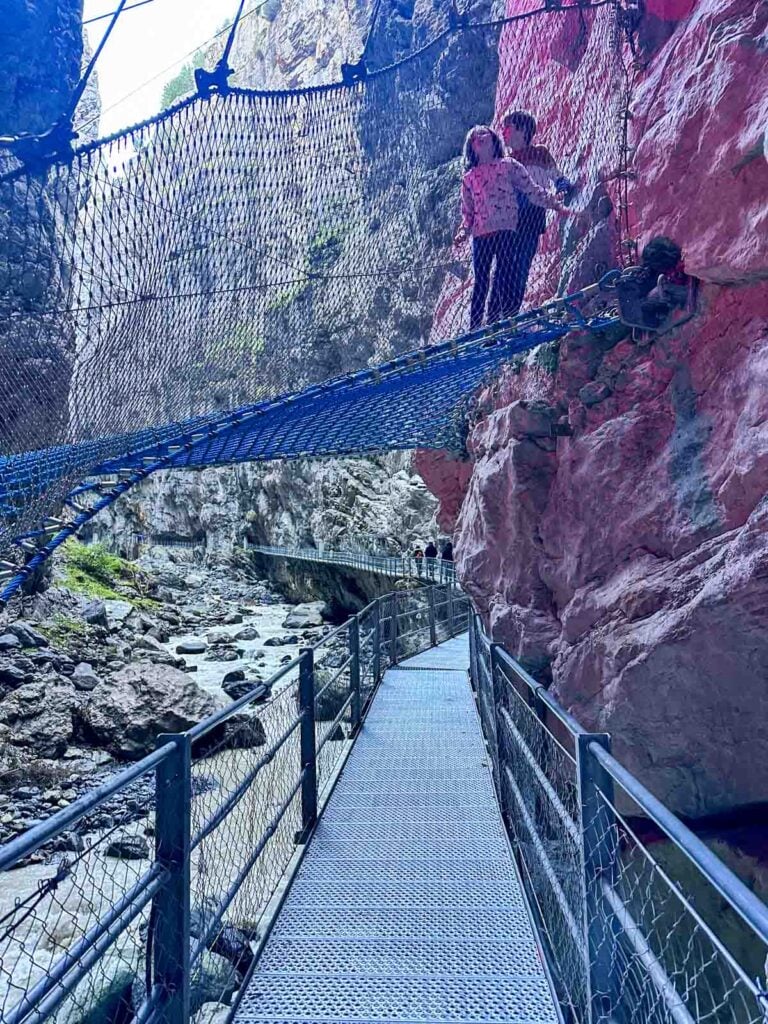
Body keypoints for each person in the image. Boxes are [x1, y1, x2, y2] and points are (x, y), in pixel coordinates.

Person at [456, 125, 570, 330]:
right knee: (481, 281)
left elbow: (532, 190)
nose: (480, 138)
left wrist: (555, 204)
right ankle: (474, 329)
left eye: (484, 134)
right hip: (481, 234)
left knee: (503, 277)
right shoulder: (469, 178)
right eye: (475, 137)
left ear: (493, 140)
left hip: (507, 231)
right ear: (471, 147)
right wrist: (464, 231)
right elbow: (468, 211)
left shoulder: (509, 165)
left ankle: (497, 325)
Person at [500, 110, 574, 316]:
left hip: (531, 215)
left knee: (522, 266)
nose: (503, 132)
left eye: (508, 127)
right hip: (512, 219)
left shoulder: (539, 153)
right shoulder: (505, 162)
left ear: (522, 130)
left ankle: (510, 315)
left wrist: (561, 189)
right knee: (507, 269)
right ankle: (503, 314)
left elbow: (557, 177)